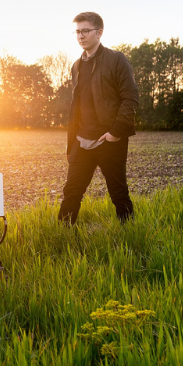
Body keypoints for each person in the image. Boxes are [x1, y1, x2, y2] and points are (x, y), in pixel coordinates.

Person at [58, 12, 139, 225]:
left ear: (99, 32)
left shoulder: (116, 59)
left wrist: (115, 133)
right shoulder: (76, 66)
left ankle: (131, 235)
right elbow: (77, 106)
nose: (80, 36)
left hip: (108, 140)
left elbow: (130, 97)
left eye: (85, 31)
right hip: (81, 142)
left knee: (118, 193)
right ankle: (61, 237)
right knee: (71, 193)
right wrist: (72, 143)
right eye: (77, 31)